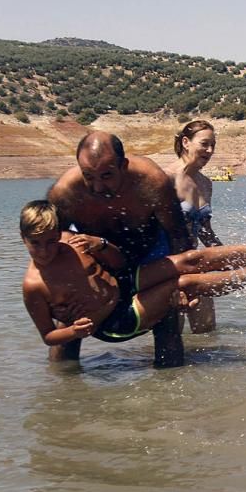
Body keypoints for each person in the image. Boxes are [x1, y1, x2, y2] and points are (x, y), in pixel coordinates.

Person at [19, 201, 246, 351]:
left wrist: (101, 245)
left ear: (58, 233)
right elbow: (48, 335)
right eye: (36, 244)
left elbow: (119, 263)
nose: (45, 250)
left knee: (191, 259)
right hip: (114, 322)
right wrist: (74, 331)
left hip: (123, 283)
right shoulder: (34, 285)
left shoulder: (72, 241)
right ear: (23, 238)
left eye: (50, 240)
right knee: (183, 283)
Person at [47, 132, 192, 366]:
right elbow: (47, 246)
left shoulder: (152, 181)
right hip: (97, 258)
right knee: (69, 319)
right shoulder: (65, 192)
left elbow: (178, 235)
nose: (97, 186)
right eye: (88, 176)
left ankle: (172, 395)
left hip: (148, 253)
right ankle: (62, 389)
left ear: (123, 166)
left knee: (168, 320)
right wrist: (55, 296)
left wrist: (183, 285)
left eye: (106, 175)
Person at [167, 121, 223, 333]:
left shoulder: (206, 183)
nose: (209, 151)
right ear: (185, 142)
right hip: (168, 270)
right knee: (172, 336)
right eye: (205, 144)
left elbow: (206, 233)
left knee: (207, 334)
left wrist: (233, 259)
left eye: (213, 145)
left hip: (197, 267)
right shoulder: (165, 178)